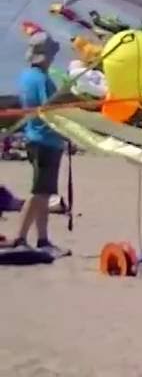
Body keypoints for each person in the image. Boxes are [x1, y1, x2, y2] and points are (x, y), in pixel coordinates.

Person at [11, 32, 69, 256]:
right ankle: (20, 238)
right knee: (39, 193)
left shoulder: (26, 77)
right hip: (45, 141)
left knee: (44, 194)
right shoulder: (41, 79)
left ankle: (43, 240)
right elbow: (49, 111)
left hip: (38, 140)